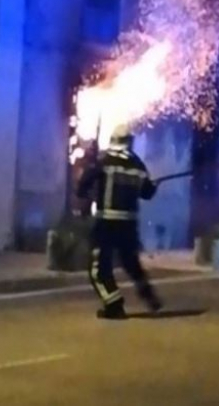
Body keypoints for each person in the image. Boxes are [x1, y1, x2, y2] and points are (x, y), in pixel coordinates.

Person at [77, 124, 163, 320]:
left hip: (106, 222)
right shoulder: (138, 165)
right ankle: (148, 295)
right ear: (130, 142)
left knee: (98, 269)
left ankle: (114, 304)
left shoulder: (103, 160)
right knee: (131, 263)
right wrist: (154, 186)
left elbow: (84, 183)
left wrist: (83, 195)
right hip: (129, 225)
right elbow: (147, 193)